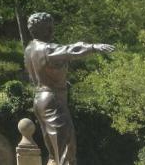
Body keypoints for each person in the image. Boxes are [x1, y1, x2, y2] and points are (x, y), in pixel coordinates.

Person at [24, 12, 114, 165]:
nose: (52, 31)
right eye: (49, 28)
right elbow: (70, 50)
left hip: (39, 99)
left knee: (54, 151)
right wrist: (92, 47)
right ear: (43, 29)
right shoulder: (47, 49)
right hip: (53, 100)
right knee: (66, 148)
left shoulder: (29, 49)